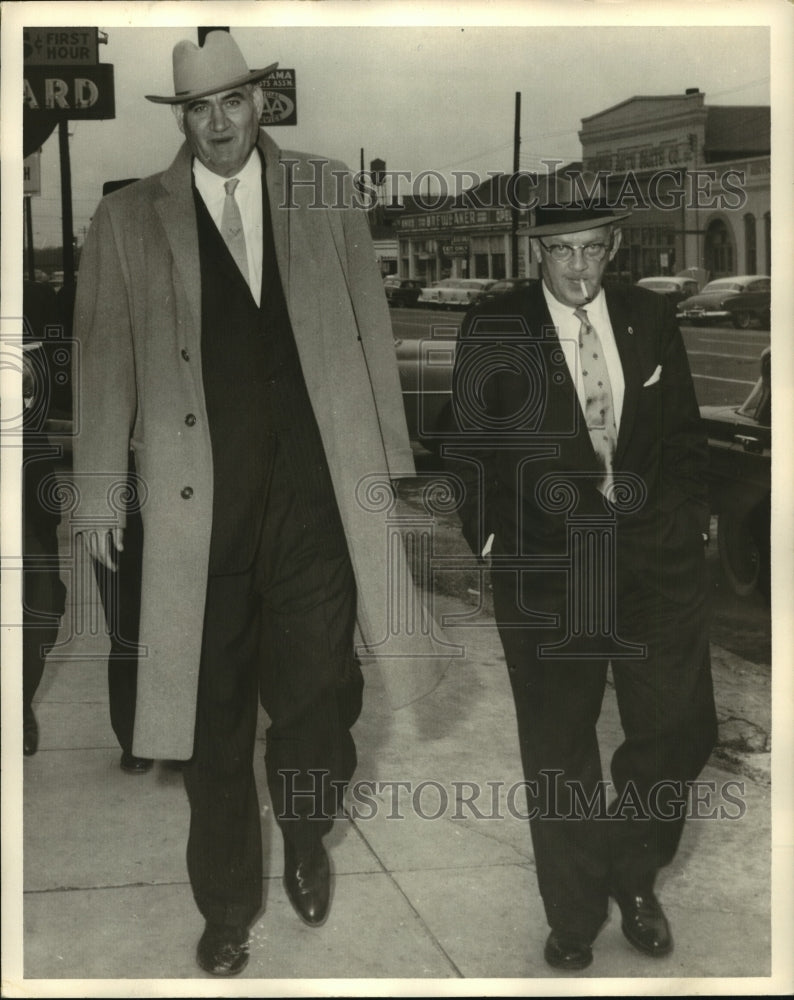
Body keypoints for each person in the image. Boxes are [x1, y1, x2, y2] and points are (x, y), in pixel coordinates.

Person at [71, 30, 447, 977]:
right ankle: (228, 905)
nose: (218, 124)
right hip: (196, 512)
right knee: (210, 716)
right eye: (197, 109)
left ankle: (309, 826)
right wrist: (103, 491)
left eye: (232, 102)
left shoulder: (323, 191)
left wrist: (387, 469)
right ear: (182, 119)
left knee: (319, 694)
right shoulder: (127, 219)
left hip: (316, 500)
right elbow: (104, 358)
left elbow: (368, 323)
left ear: (261, 102)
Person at [448, 198, 717, 971]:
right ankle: (573, 914)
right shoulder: (496, 326)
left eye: (591, 250)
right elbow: (465, 442)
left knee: (679, 729)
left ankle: (632, 873)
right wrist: (490, 536)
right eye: (560, 250)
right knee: (560, 749)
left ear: (614, 248)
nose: (575, 267)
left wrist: (689, 518)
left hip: (651, 563)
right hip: (545, 567)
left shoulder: (648, 316)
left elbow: (683, 434)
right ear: (537, 249)